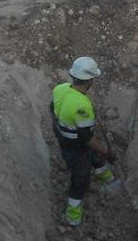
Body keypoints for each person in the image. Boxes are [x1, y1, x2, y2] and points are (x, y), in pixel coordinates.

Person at [51, 57, 122, 226]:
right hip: (75, 147)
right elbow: (86, 138)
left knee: (94, 154)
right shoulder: (83, 106)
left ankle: (105, 176)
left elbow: (52, 110)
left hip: (65, 138)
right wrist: (106, 152)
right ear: (90, 80)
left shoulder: (60, 89)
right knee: (80, 181)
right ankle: (72, 216)